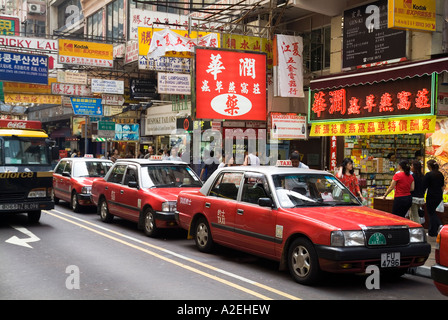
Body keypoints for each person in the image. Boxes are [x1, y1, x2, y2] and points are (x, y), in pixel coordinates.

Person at [423, 159, 445, 236]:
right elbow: (442, 186)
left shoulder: (428, 175)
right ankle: (433, 231)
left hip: (431, 195)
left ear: (429, 166)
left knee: (431, 213)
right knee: (433, 212)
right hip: (439, 195)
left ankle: (437, 226)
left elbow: (424, 186)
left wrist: (422, 195)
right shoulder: (440, 174)